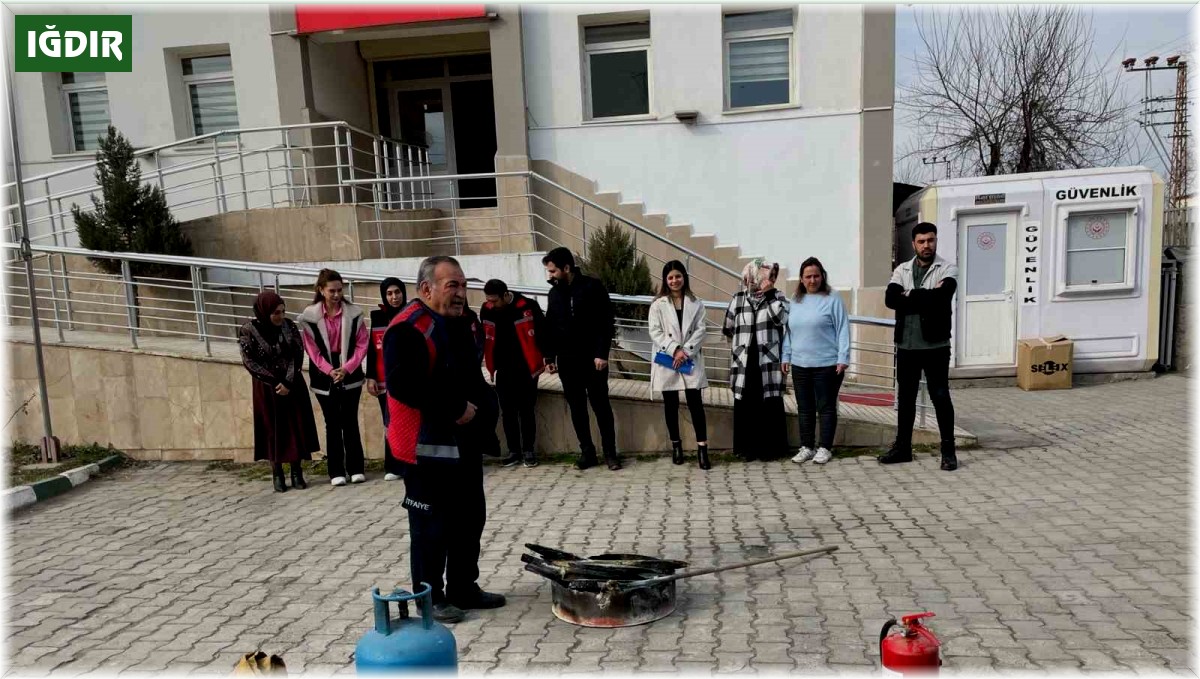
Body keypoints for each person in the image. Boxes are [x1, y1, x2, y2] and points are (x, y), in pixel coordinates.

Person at [383, 255, 505, 624]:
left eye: (463, 285)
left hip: (464, 443)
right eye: (452, 285)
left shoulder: (464, 322)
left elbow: (471, 374)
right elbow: (404, 385)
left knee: (470, 518)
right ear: (426, 289)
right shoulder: (407, 327)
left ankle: (464, 587)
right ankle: (430, 597)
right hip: (426, 448)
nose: (460, 293)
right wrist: (454, 408)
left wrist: (485, 412)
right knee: (430, 528)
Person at [883, 221, 959, 471]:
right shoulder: (902, 269)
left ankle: (948, 451)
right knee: (905, 399)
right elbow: (890, 299)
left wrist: (910, 296)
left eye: (931, 240)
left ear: (936, 241)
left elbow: (942, 297)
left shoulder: (947, 268)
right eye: (922, 241)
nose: (927, 245)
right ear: (914, 243)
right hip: (907, 345)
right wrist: (923, 296)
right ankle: (903, 448)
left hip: (936, 345)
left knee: (940, 397)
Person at [541, 247, 621, 471]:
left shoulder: (592, 286)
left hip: (593, 360)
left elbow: (606, 322)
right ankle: (587, 452)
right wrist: (549, 356)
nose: (551, 275)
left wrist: (601, 353)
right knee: (577, 409)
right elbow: (551, 326)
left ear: (567, 267)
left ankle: (610, 454)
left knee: (601, 406)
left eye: (553, 270)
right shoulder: (554, 293)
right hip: (567, 361)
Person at [238, 291, 320, 492]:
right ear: (264, 311)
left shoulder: (289, 326)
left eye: (283, 312)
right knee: (272, 429)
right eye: (276, 312)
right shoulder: (248, 330)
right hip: (266, 388)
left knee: (295, 426)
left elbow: (297, 353)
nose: (280, 316)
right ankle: (277, 473)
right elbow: (249, 361)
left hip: (292, 385)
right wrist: (275, 382)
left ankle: (296, 471)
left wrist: (287, 383)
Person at [298, 269, 370, 486]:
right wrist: (330, 370)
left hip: (350, 371)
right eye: (332, 291)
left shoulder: (354, 313)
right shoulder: (309, 317)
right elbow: (312, 350)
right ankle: (336, 471)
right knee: (332, 422)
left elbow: (362, 344)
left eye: (340, 290)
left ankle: (356, 468)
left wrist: (346, 368)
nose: (337, 294)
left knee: (350, 421)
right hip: (324, 373)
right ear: (321, 290)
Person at [783, 257, 850, 466]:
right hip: (801, 364)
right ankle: (807, 447)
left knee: (826, 407)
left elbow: (843, 329)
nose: (812, 280)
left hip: (827, 364)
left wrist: (843, 357)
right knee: (804, 408)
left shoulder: (833, 298)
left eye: (816, 276)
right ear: (801, 280)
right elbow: (788, 332)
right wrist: (786, 356)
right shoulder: (795, 300)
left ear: (822, 276)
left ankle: (825, 447)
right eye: (808, 276)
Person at [723, 258, 789, 461]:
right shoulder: (738, 298)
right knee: (746, 403)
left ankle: (770, 450)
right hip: (744, 361)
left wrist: (769, 295)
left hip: (768, 361)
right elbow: (728, 328)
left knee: (769, 402)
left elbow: (782, 319)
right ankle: (746, 449)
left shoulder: (778, 297)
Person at [648, 260, 710, 470]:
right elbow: (655, 331)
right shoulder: (658, 305)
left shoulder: (696, 303)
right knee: (670, 405)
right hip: (668, 358)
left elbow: (702, 330)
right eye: (671, 277)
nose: (675, 281)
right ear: (665, 280)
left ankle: (702, 449)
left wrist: (686, 351)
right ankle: (676, 445)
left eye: (678, 276)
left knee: (696, 404)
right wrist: (674, 348)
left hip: (689, 359)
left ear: (684, 277)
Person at [481, 278, 545, 469]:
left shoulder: (527, 306)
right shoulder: (487, 309)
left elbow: (542, 332)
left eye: (495, 300)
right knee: (507, 411)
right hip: (502, 369)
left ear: (505, 294)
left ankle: (528, 450)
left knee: (526, 410)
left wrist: (548, 359)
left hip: (526, 368)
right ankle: (514, 451)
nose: (491, 304)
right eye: (489, 300)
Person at [366, 277, 407, 482]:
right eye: (389, 293)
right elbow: (372, 349)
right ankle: (392, 465)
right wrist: (370, 376)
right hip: (384, 379)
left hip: (408, 379)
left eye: (397, 292)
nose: (394, 297)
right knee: (389, 422)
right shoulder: (377, 317)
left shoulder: (411, 314)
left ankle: (410, 463)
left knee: (409, 421)